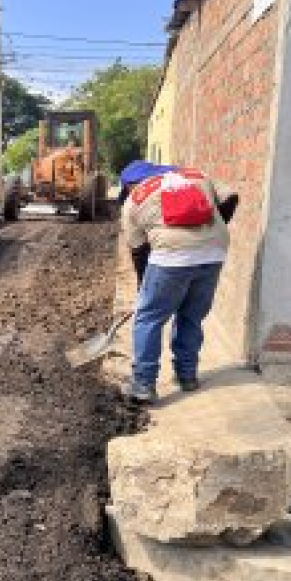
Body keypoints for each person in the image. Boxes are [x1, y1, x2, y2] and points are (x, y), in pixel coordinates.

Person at [120, 163, 237, 404]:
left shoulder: (134, 199)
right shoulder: (197, 175)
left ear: (131, 184)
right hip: (214, 251)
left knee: (148, 317)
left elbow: (139, 250)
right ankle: (187, 375)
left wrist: (144, 287)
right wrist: (216, 227)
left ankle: (143, 384)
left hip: (171, 257)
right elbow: (230, 198)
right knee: (192, 315)